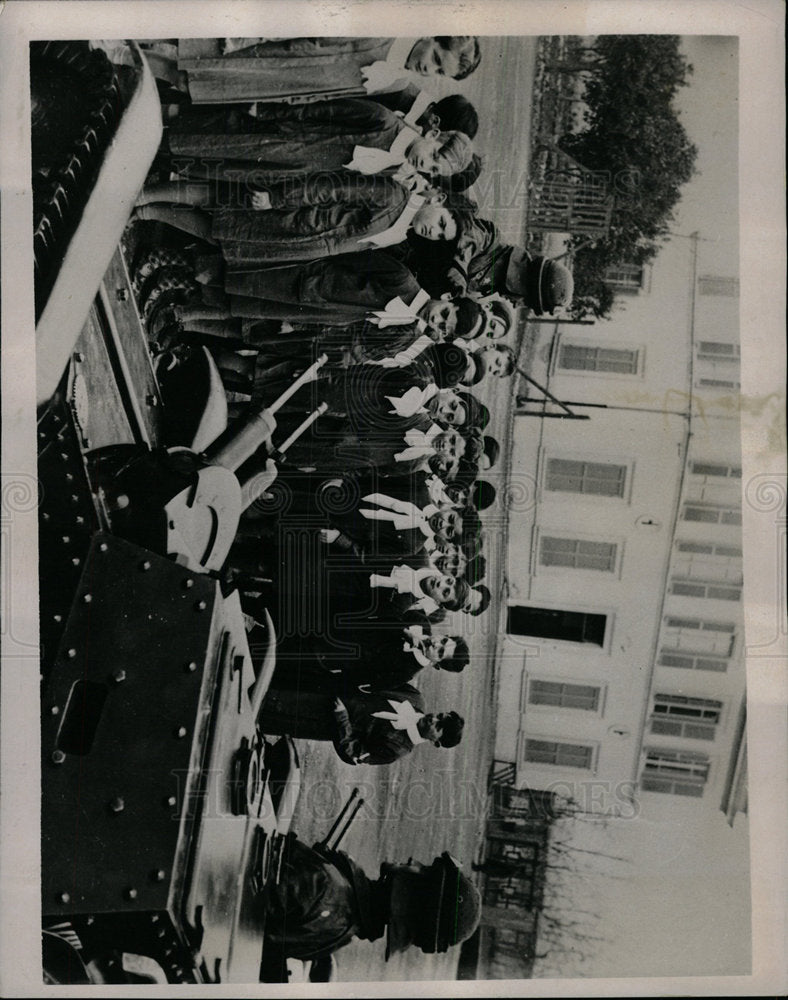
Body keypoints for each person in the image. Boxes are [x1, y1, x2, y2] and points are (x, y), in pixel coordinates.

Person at [260, 840, 480, 974]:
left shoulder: (324, 886)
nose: (414, 861)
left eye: (423, 870)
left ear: (415, 894)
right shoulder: (344, 929)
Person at [165, 36, 482, 105]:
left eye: (439, 73)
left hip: (273, 87)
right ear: (431, 37)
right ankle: (124, 48)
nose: (429, 69)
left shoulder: (395, 80)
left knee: (188, 82)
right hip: (270, 55)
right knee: (189, 49)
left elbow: (327, 94)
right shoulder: (386, 31)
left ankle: (126, 57)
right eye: (437, 59)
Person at [257, 681, 463, 765]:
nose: (433, 719)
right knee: (264, 683)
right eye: (440, 716)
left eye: (438, 726)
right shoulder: (414, 697)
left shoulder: (398, 748)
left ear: (436, 742)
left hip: (313, 721)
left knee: (259, 710)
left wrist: (341, 717)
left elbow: (354, 753)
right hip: (321, 689)